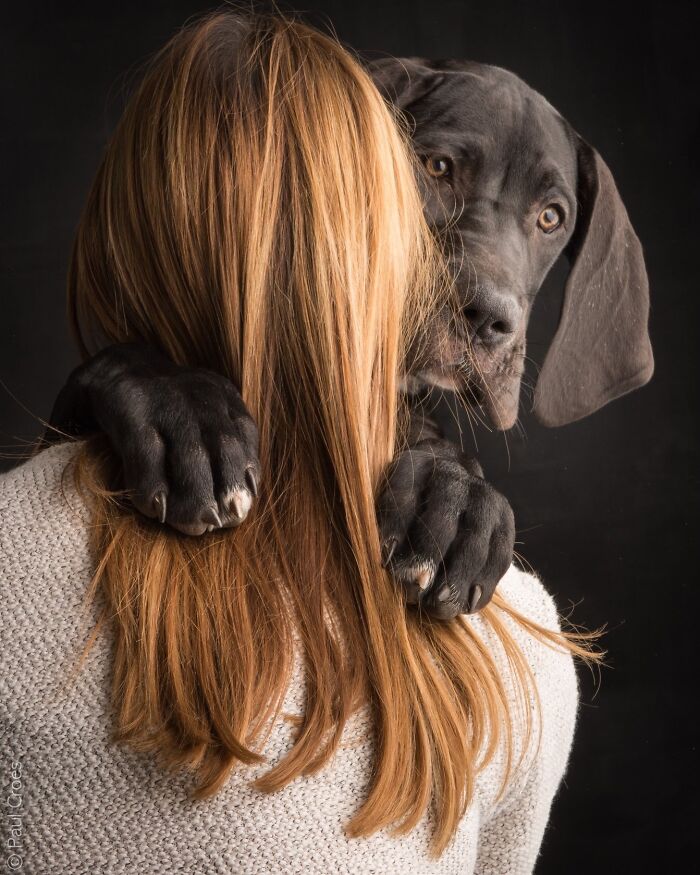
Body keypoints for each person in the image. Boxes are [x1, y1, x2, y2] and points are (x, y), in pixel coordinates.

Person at [0, 11, 598, 873]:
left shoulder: (508, 633)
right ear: (353, 214)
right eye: (437, 168)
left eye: (548, 216)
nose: (495, 288)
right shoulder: (522, 647)